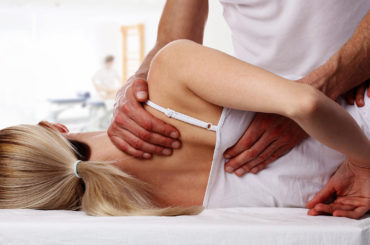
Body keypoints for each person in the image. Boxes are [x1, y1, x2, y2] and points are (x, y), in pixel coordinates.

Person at [1, 40, 369, 218]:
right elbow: (304, 103)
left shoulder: (129, 209)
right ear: (53, 126)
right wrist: (364, 164)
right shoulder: (169, 75)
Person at [108, 1, 370, 218]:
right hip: (268, 116)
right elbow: (172, 38)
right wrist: (136, 81)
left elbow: (306, 104)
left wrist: (314, 95)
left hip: (348, 97)